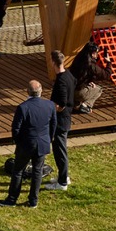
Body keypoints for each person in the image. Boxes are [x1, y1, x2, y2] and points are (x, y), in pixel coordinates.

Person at [0, 80, 56, 208]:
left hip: (26, 144)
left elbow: (16, 128)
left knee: (18, 171)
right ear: (41, 91)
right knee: (37, 171)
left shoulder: (23, 107)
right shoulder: (50, 105)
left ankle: (12, 199)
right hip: (42, 142)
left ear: (27, 91)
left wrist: (18, 142)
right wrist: (48, 139)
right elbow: (53, 125)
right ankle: (33, 201)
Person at [45, 49, 75, 192]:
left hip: (61, 121)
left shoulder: (61, 81)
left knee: (60, 151)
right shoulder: (68, 75)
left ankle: (62, 182)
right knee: (60, 150)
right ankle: (64, 176)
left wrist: (49, 108)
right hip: (66, 118)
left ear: (53, 62)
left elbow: (61, 104)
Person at [69, 40, 110, 115]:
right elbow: (106, 75)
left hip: (70, 88)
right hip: (79, 91)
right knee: (99, 89)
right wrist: (108, 63)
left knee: (88, 87)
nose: (97, 55)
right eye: (97, 53)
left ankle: (76, 104)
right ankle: (86, 105)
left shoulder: (78, 58)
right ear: (93, 53)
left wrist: (88, 82)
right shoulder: (91, 65)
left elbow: (80, 75)